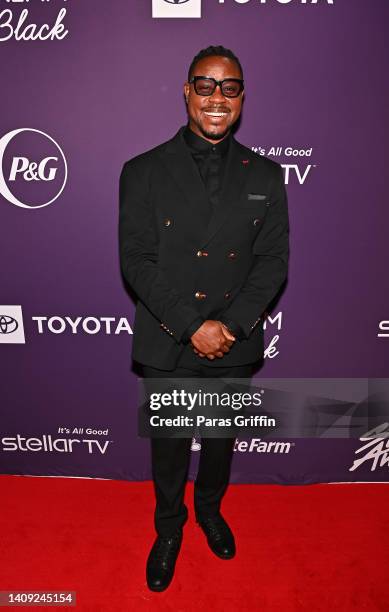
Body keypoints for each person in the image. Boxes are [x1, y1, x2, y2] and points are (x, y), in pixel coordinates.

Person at [119, 45, 289, 592]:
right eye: (207, 85)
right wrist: (192, 325)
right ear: (187, 93)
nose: (218, 97)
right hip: (172, 337)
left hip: (232, 340)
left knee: (219, 444)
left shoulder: (267, 173)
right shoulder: (142, 171)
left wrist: (231, 326)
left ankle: (210, 512)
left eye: (230, 87)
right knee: (169, 448)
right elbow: (137, 262)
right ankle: (169, 528)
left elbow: (272, 262)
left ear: (242, 97)